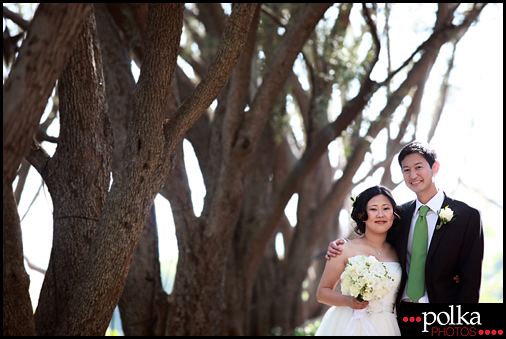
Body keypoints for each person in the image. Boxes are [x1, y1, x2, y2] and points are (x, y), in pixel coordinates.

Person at [326, 141, 484, 334]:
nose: (413, 175)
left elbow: (470, 281)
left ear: (435, 167)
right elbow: (375, 246)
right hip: (401, 317)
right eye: (406, 170)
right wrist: (341, 245)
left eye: (418, 167)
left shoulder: (467, 216)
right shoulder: (399, 216)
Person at [315, 185, 402, 336]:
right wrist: (348, 301)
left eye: (386, 208)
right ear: (362, 214)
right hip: (348, 322)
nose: (380, 214)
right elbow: (322, 292)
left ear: (393, 215)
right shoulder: (344, 249)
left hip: (386, 327)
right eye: (373, 209)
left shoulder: (400, 252)